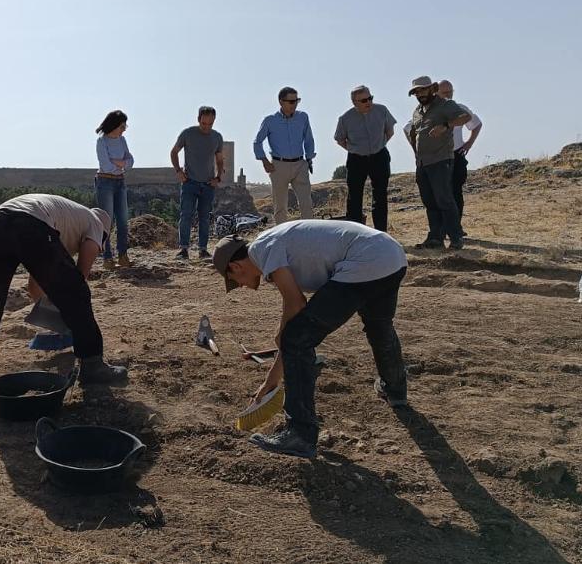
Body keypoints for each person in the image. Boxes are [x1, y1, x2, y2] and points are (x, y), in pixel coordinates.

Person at [211, 220, 409, 458]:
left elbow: (296, 304)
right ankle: (395, 389)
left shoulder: (262, 250)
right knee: (378, 325)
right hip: (392, 256)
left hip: (364, 261)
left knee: (297, 339)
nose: (241, 286)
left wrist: (283, 342)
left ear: (235, 267)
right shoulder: (271, 243)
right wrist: (273, 373)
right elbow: (291, 303)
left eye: (235, 281)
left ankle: (300, 434)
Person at [0, 193, 127, 386]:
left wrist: (49, 311)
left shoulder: (69, 218)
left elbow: (35, 283)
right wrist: (69, 314)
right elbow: (80, 278)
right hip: (29, 222)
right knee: (77, 292)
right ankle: (92, 364)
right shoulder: (96, 224)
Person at [406, 76, 473, 250]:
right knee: (429, 201)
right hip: (422, 163)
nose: (420, 94)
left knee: (444, 199)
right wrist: (416, 151)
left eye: (423, 89)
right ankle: (435, 237)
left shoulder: (445, 104)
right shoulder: (417, 111)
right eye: (416, 91)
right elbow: (413, 132)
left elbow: (466, 116)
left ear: (432, 89)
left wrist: (446, 125)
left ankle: (456, 237)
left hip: (441, 159)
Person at [333, 85, 397, 231]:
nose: (368, 102)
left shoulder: (382, 110)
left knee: (380, 195)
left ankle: (381, 232)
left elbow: (390, 131)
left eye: (370, 98)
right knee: (354, 197)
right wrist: (355, 149)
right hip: (356, 159)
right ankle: (356, 233)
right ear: (354, 103)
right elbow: (340, 139)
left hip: (379, 156)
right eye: (363, 100)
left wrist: (378, 145)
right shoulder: (345, 118)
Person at [253, 87, 316, 224]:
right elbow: (257, 142)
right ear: (281, 102)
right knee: (280, 206)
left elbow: (309, 139)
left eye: (297, 101)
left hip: (300, 164)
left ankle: (310, 234)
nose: (295, 104)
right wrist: (264, 161)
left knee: (307, 204)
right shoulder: (270, 121)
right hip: (278, 166)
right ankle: (282, 237)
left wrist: (309, 159)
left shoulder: (303, 117)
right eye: (291, 101)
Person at [170, 106, 226, 259]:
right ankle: (183, 249)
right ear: (198, 119)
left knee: (205, 217)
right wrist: (178, 171)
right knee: (186, 215)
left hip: (208, 184)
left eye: (210, 124)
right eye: (204, 123)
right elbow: (174, 151)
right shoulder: (187, 134)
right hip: (190, 182)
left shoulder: (217, 137)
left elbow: (220, 160)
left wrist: (218, 177)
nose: (207, 127)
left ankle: (203, 249)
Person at [438, 79, 482, 236]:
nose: (448, 95)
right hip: (438, 157)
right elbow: (409, 128)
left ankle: (456, 228)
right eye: (445, 92)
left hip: (457, 154)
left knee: (456, 191)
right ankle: (441, 229)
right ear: (437, 93)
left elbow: (477, 124)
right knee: (441, 193)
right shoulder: (431, 111)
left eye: (450, 91)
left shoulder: (460, 108)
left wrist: (469, 143)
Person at [95, 110, 134, 269]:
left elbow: (130, 161)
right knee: (107, 221)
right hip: (105, 182)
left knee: (123, 220)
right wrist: (121, 164)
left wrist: (118, 163)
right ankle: (107, 258)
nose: (124, 129)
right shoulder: (101, 141)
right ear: (114, 125)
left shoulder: (122, 140)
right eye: (122, 126)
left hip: (120, 182)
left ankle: (123, 256)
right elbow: (106, 165)